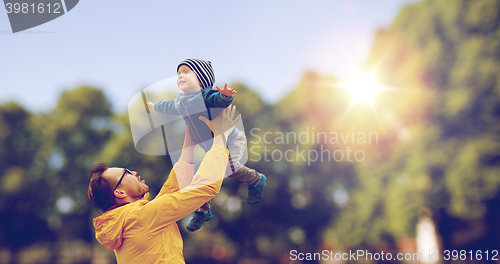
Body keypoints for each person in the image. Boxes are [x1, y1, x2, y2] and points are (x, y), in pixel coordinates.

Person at [88, 105, 240, 263]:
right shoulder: (140, 216)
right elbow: (205, 188)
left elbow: (172, 190)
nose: (134, 172)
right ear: (120, 193)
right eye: (126, 172)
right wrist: (220, 138)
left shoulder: (131, 220)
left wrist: (190, 136)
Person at [145, 58, 266, 232]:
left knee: (228, 167)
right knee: (204, 175)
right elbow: (168, 106)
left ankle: (257, 179)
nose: (180, 76)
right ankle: (203, 211)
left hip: (231, 139)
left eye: (186, 72)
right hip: (211, 146)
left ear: (201, 79)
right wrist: (154, 106)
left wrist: (225, 96)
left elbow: (218, 100)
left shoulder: (205, 95)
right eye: (178, 73)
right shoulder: (180, 101)